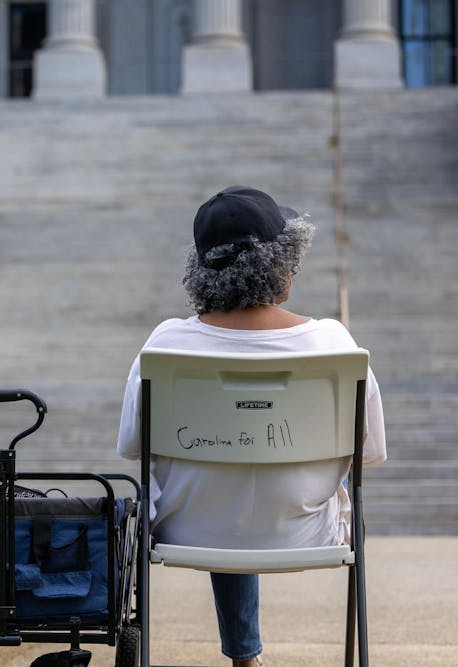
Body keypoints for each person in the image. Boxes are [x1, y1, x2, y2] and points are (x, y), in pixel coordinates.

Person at [116, 185, 387, 667]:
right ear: (282, 263)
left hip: (187, 530)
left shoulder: (165, 344)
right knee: (286, 464)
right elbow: (367, 452)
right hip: (308, 533)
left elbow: (132, 446)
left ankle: (245, 657)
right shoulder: (333, 343)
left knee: (225, 472)